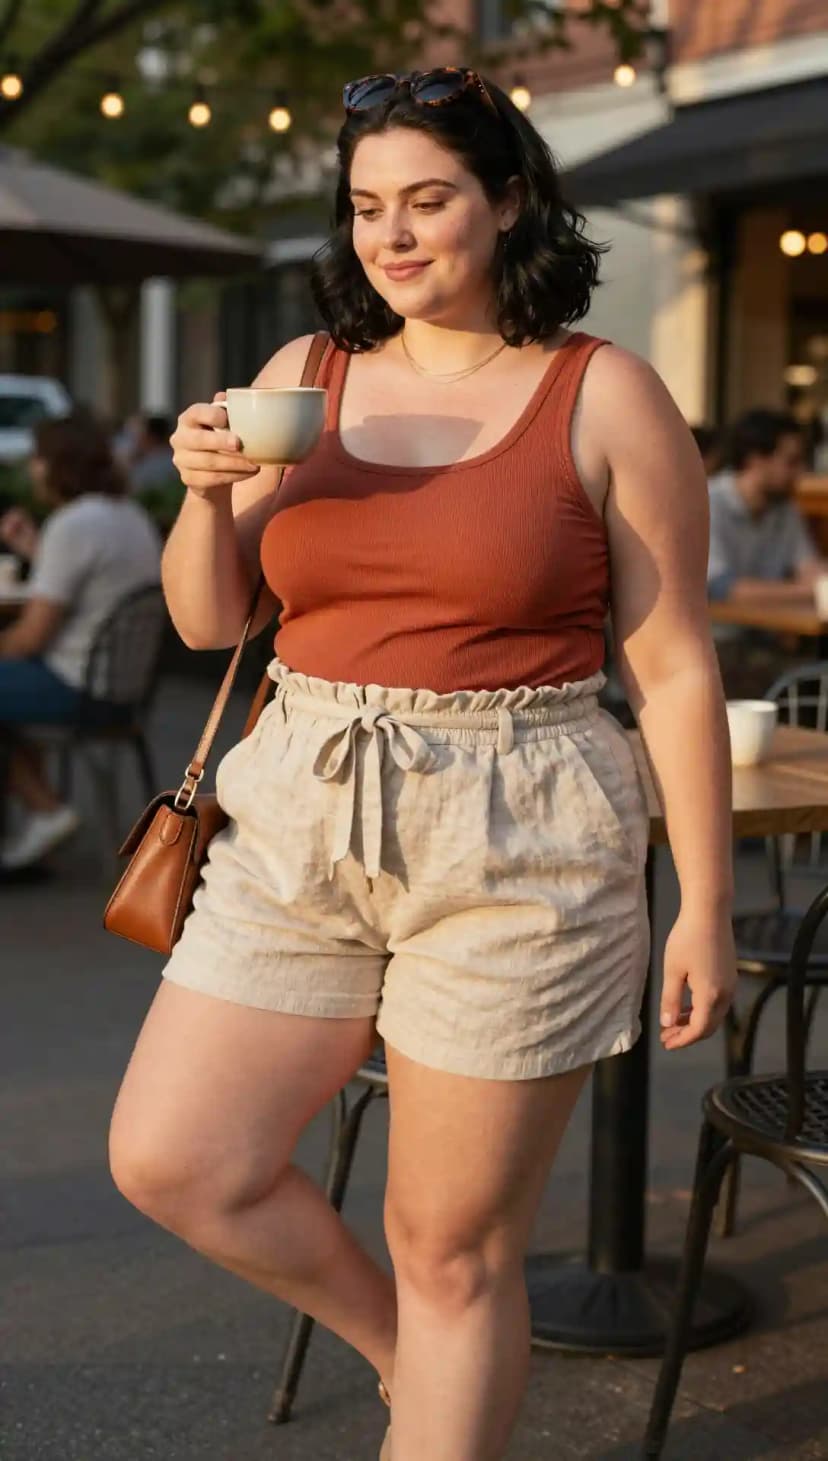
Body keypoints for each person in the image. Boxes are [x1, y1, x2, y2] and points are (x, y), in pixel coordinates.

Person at [108, 69, 736, 1461]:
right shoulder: (303, 376)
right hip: (298, 800)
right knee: (178, 1159)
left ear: (508, 201)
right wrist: (205, 494)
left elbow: (677, 664)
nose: (395, 237)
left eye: (430, 200)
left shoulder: (604, 392)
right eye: (369, 207)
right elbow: (211, 623)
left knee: (451, 1247)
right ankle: (420, 1356)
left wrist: (702, 902)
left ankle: (448, 1358)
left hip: (525, 823)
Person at [0, 413, 162, 870]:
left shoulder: (72, 525)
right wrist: (36, 547)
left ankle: (45, 811)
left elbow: (31, 637)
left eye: (37, 458)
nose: (31, 468)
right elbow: (90, 584)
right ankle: (41, 813)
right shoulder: (127, 515)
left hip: (78, 690)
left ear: (57, 463)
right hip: (123, 690)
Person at [707, 408, 826, 697]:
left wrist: (819, 582)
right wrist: (812, 592)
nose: (800, 473)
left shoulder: (783, 508)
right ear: (755, 460)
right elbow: (724, 589)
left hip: (762, 641)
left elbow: (810, 567)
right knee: (806, 685)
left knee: (813, 678)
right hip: (713, 647)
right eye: (792, 462)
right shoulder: (708, 502)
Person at [121, 412, 176, 492]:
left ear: (151, 437)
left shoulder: (146, 466)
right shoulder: (178, 460)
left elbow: (134, 489)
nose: (138, 439)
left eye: (141, 434)